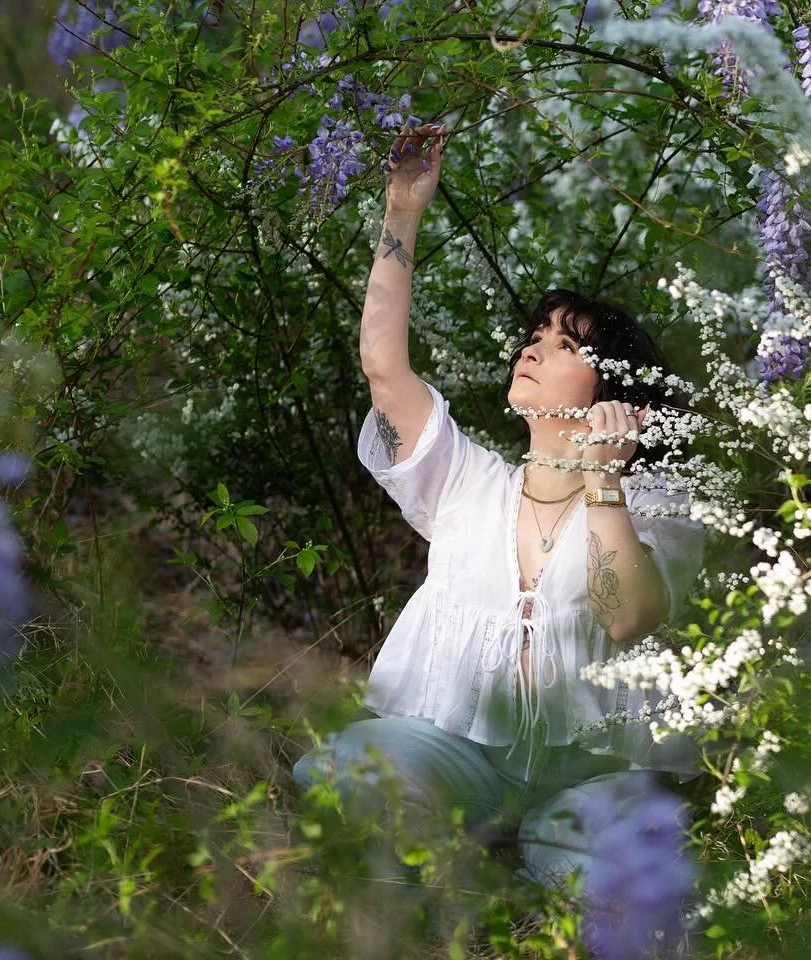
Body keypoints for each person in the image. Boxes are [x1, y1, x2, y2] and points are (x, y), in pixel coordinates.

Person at [292, 122, 707, 937]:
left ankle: (538, 865)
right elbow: (384, 367)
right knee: (353, 777)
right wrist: (402, 211)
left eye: (565, 345)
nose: (534, 349)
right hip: (457, 754)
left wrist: (605, 480)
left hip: (591, 777)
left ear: (616, 390)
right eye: (534, 335)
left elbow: (627, 616)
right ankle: (443, 889)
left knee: (623, 888)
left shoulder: (659, 501)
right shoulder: (466, 481)